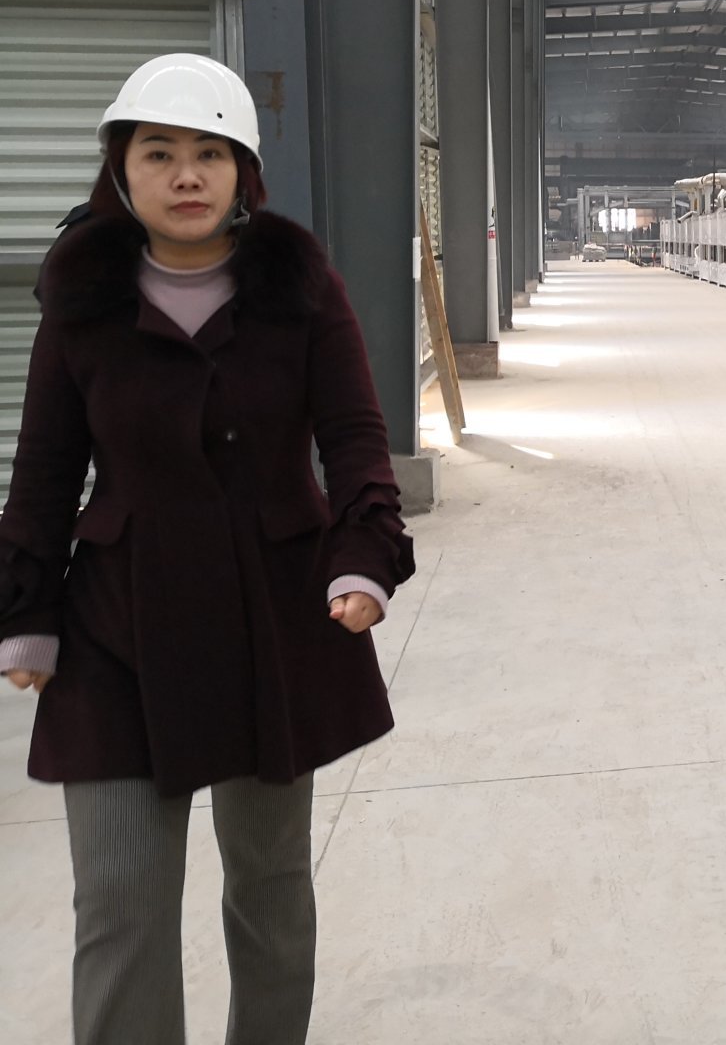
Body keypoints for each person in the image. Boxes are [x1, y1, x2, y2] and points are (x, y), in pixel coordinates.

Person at [0, 54, 415, 1045]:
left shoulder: (299, 287)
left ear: (243, 172)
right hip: (116, 629)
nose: (186, 175)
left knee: (269, 887)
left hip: (275, 616)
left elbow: (354, 437)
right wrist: (27, 615)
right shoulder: (84, 297)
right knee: (120, 903)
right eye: (159, 153)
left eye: (210, 153)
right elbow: (46, 467)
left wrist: (362, 555)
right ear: (121, 168)